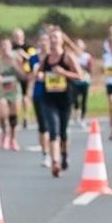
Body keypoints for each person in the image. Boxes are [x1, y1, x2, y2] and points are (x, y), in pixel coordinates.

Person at [37, 29, 82, 177]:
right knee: (53, 131)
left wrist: (64, 73)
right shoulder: (47, 58)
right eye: (51, 38)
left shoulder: (68, 57)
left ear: (62, 40)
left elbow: (79, 76)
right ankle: (55, 162)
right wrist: (41, 75)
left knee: (63, 132)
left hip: (65, 99)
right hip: (49, 99)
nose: (53, 40)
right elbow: (39, 73)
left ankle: (64, 154)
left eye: (56, 38)